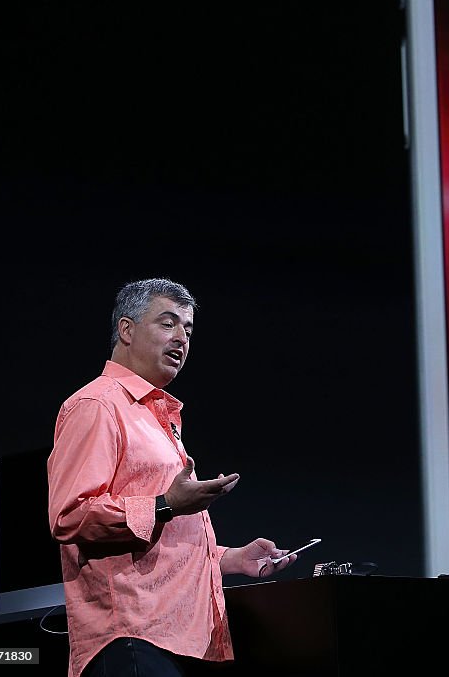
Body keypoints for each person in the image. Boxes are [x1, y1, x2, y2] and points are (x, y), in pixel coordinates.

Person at [47, 278, 294, 677]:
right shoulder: (97, 405)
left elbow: (163, 541)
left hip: (179, 639)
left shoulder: (156, 417)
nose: (181, 338)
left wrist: (229, 559)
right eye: (167, 324)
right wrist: (166, 504)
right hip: (131, 638)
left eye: (188, 329)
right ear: (126, 330)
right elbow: (70, 516)